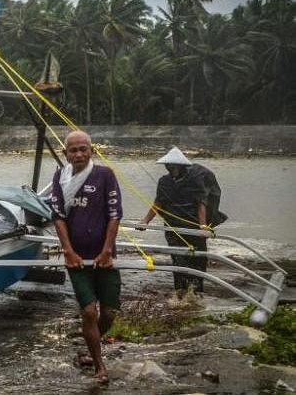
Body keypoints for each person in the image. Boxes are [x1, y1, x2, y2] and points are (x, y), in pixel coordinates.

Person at [49, 130, 122, 385]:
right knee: (89, 311)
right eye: (73, 150)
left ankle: (91, 344)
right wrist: (68, 251)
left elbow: (115, 214)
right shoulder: (60, 177)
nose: (79, 154)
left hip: (105, 256)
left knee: (109, 314)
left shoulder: (105, 175)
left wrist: (106, 250)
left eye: (83, 149)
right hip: (77, 259)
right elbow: (57, 216)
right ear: (65, 153)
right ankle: (99, 365)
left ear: (91, 151)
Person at [137, 146, 227, 294]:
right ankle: (180, 294)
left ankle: (197, 295)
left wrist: (203, 226)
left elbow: (201, 203)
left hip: (193, 227)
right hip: (173, 228)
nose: (169, 168)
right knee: (179, 262)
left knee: (198, 262)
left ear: (181, 166)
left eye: (173, 165)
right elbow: (158, 204)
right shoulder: (164, 182)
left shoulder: (194, 180)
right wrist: (145, 221)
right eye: (168, 165)